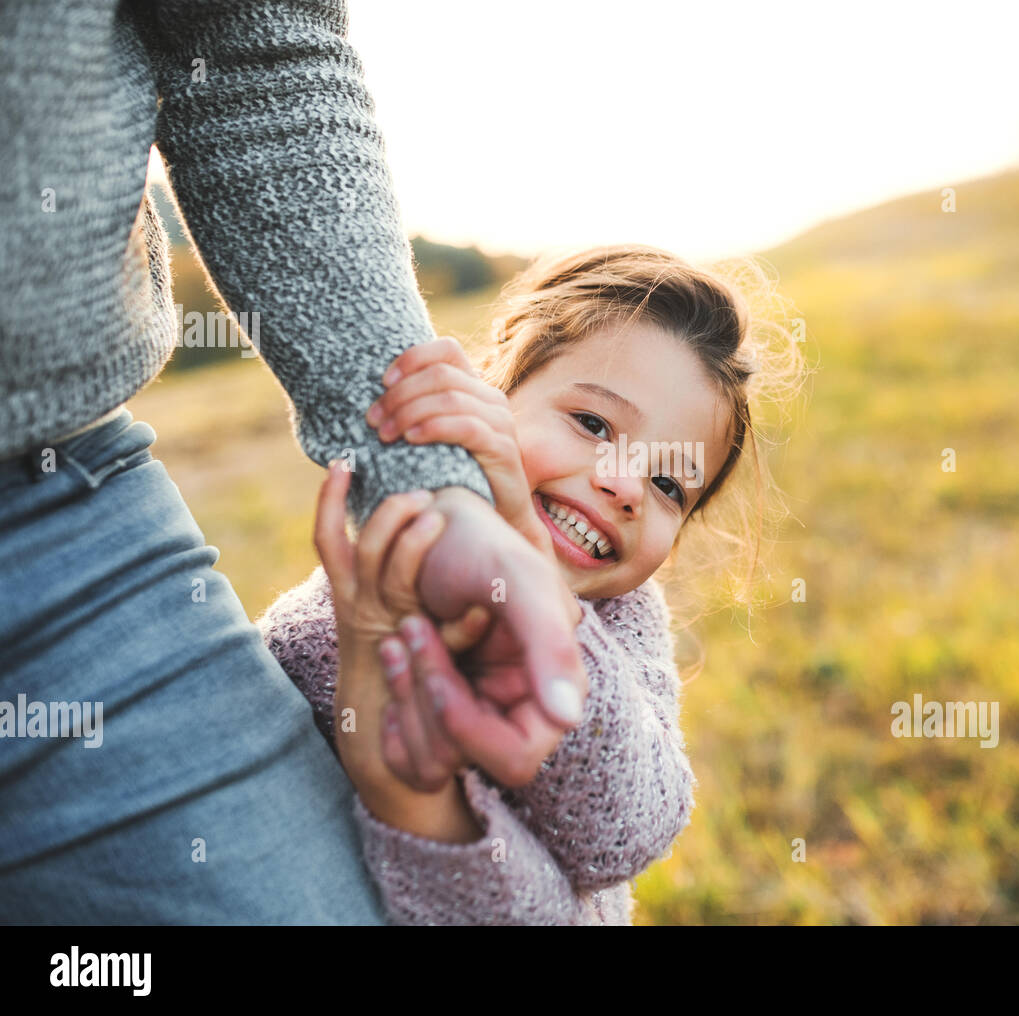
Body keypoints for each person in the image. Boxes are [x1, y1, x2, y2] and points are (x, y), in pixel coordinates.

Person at [0, 0, 582, 923]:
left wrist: (430, 485)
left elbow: (253, 45)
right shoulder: (317, 635)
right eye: (589, 423)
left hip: (51, 518)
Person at [257, 246, 809, 923]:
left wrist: (538, 593)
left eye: (670, 484)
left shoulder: (620, 624)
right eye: (593, 424)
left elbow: (628, 828)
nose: (625, 484)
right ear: (491, 391)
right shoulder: (353, 614)